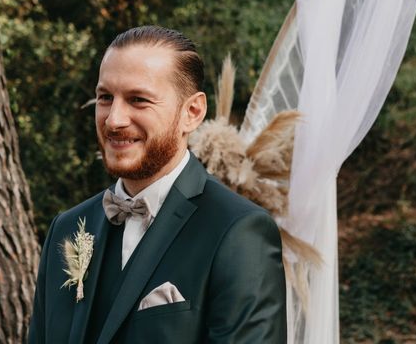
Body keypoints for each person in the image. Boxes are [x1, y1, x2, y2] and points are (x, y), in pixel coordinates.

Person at [28, 26, 286, 343]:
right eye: (105, 97)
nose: (113, 120)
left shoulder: (237, 232)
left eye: (138, 100)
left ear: (192, 112)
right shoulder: (66, 229)